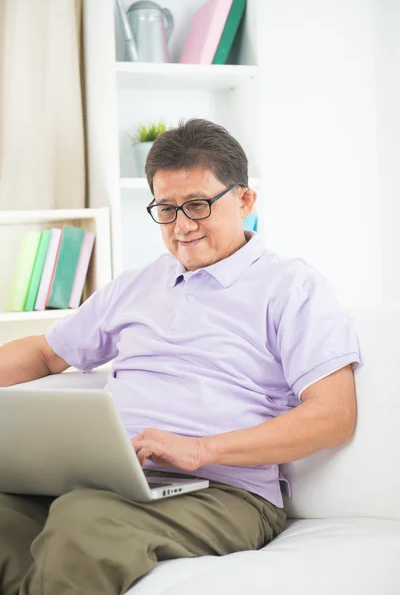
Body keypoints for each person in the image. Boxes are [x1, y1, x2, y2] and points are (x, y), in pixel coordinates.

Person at [0, 118, 361, 595]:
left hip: (224, 492)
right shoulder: (136, 284)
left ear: (245, 200)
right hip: (110, 480)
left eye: (198, 205)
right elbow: (47, 354)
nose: (182, 226)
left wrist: (201, 449)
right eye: (166, 210)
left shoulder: (292, 287)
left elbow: (334, 415)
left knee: (84, 522)